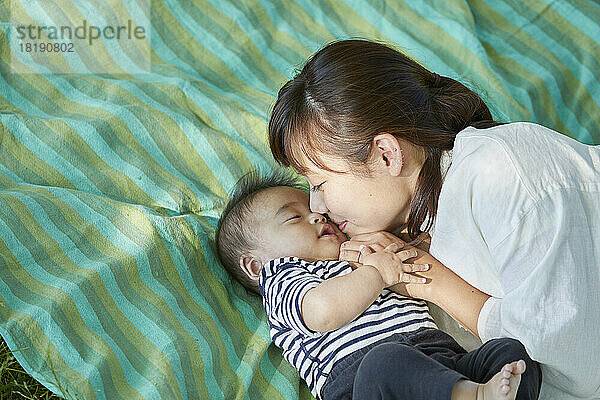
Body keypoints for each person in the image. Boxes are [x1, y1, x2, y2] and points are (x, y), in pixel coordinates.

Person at [267, 39, 600, 400]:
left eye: (319, 183)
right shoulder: (412, 231)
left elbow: (570, 373)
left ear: (385, 154)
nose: (317, 206)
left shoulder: (502, 172)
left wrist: (435, 283)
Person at [214, 170, 540, 400]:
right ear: (255, 265)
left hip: (441, 361)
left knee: (511, 353)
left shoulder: (359, 251)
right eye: (293, 218)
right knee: (385, 363)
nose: (318, 216)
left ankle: (476, 391)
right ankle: (476, 396)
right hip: (363, 382)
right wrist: (378, 273)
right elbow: (323, 311)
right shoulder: (283, 277)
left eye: (317, 212)